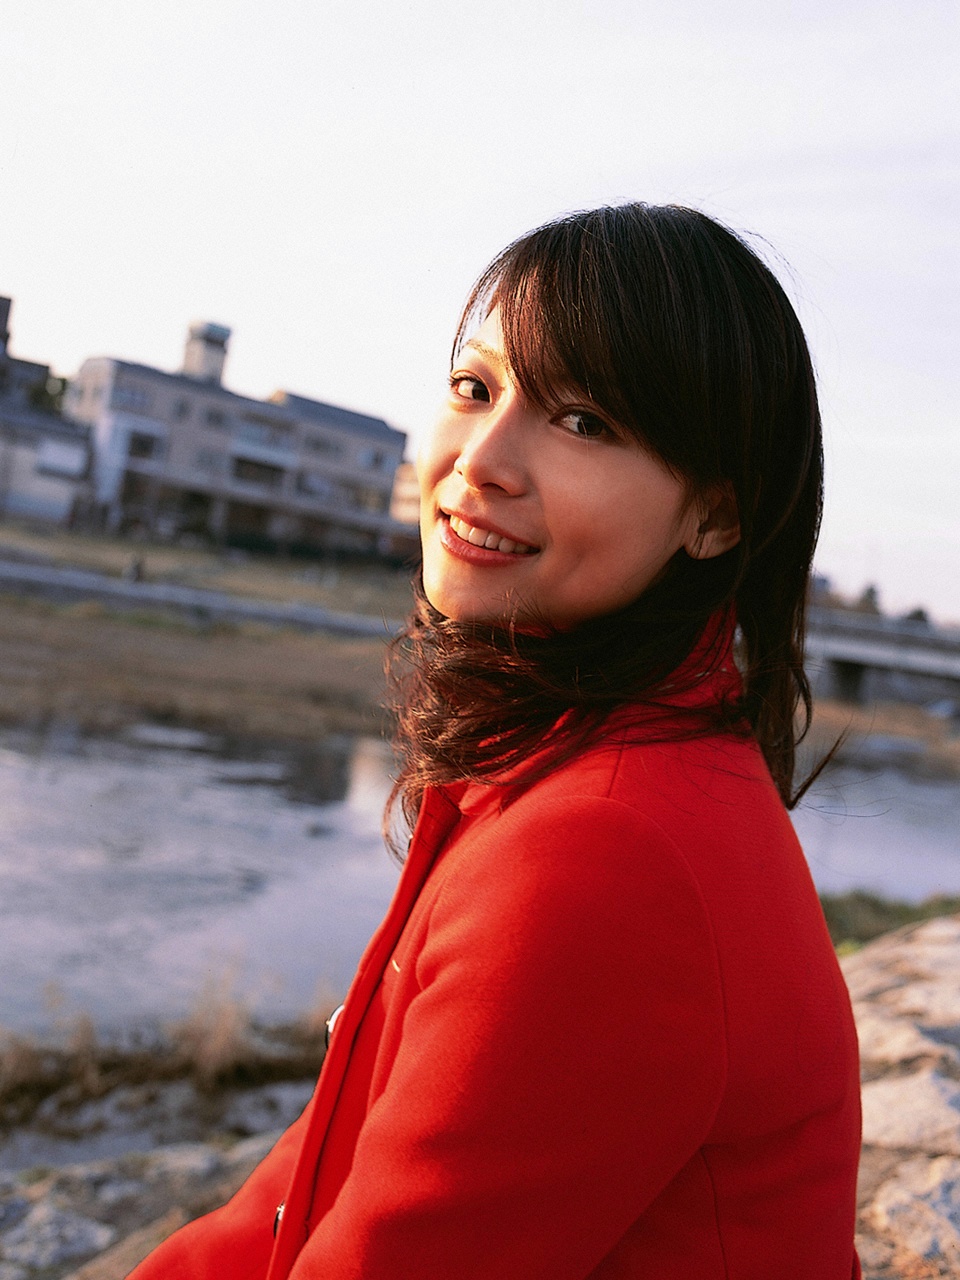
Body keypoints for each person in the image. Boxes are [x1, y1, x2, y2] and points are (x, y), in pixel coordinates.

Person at [129, 203, 862, 1279]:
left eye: (584, 422)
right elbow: (314, 1182)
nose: (480, 461)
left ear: (716, 515)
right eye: (475, 389)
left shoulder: (603, 850)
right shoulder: (583, 761)